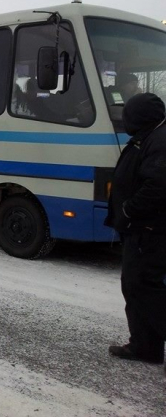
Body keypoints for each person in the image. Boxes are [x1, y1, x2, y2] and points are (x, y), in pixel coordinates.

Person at [106, 92, 166, 374]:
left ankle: (147, 344)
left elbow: (158, 185)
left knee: (143, 287)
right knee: (134, 285)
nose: (125, 119)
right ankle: (145, 346)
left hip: (148, 230)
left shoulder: (159, 140)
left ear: (139, 117)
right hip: (140, 229)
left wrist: (129, 210)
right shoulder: (150, 136)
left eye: (129, 114)